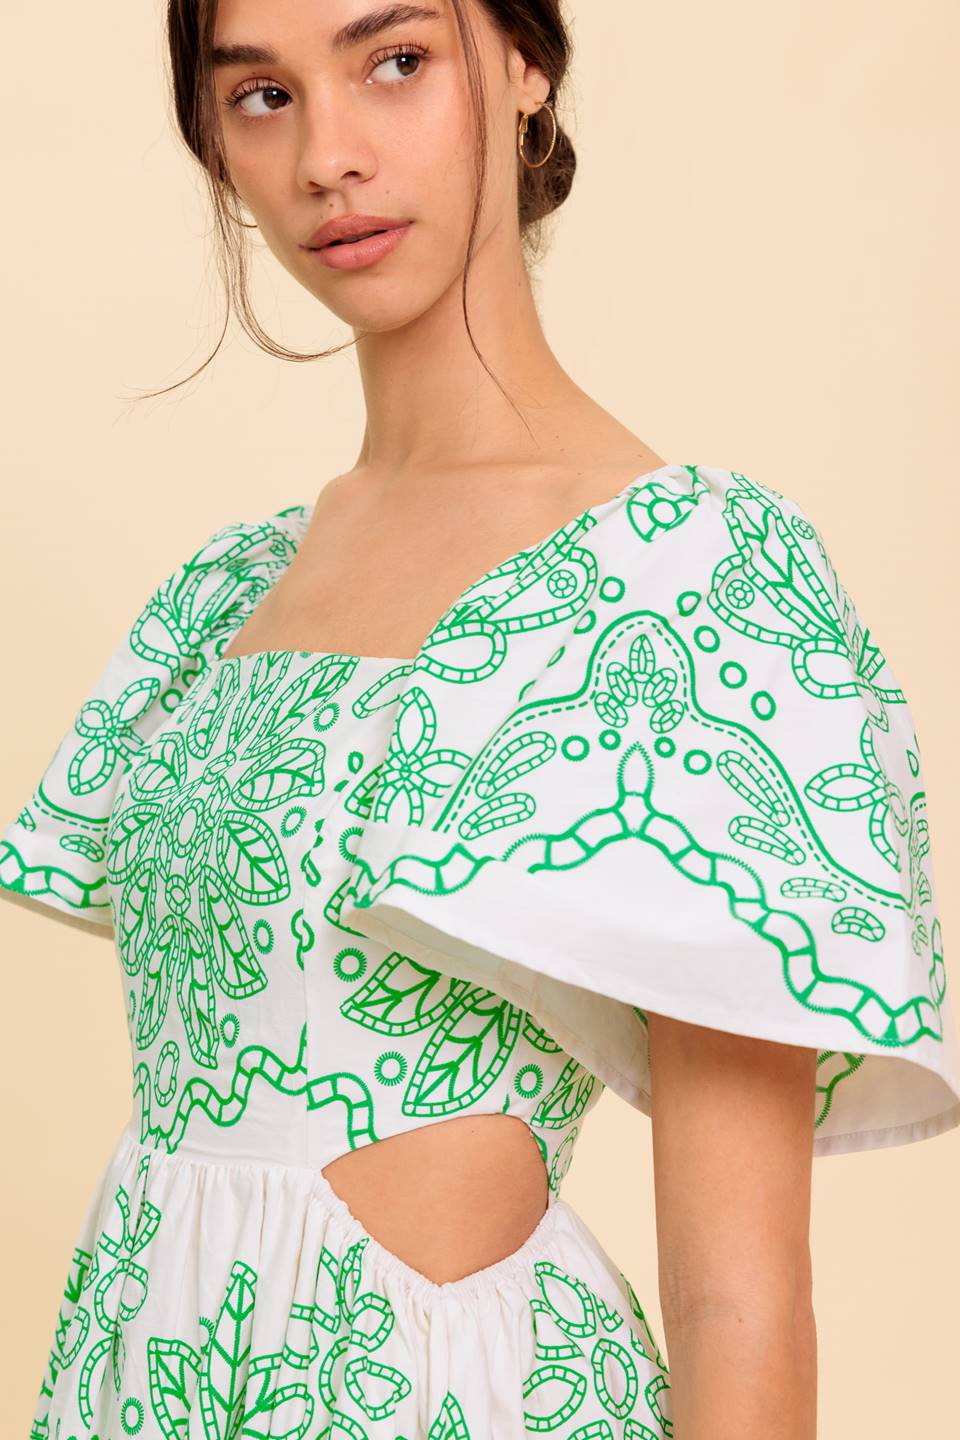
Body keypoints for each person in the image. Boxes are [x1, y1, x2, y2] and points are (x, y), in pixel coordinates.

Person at [3, 2, 958, 1437]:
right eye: (261, 95)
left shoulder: (688, 581)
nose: (328, 155)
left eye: (394, 62)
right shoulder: (226, 592)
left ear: (523, 66)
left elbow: (740, 1303)